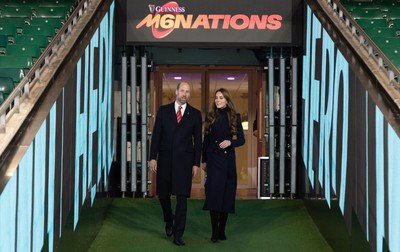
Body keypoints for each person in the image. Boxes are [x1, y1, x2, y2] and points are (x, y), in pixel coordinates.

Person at [149, 82, 202, 246]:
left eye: (188, 91)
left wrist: (196, 164)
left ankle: (178, 234)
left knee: (182, 198)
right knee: (163, 196)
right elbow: (156, 136)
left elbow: (198, 141)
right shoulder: (164, 111)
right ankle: (169, 219)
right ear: (176, 91)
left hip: (185, 163)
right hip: (165, 160)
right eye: (182, 91)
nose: (185, 94)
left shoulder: (195, 114)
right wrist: (153, 157)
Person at [201, 88, 245, 243]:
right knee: (213, 194)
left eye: (220, 97)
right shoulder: (210, 116)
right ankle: (214, 231)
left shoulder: (234, 117)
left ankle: (221, 230)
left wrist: (230, 142)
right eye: (216, 97)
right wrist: (203, 160)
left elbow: (241, 140)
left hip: (227, 161)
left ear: (227, 100)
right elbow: (205, 141)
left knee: (226, 194)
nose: (217, 100)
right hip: (213, 160)